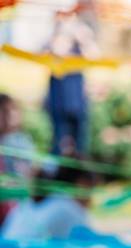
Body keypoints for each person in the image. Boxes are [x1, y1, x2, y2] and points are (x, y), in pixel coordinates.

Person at [45, 12, 97, 155]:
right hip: (58, 103)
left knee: (80, 146)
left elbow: (94, 56)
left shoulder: (81, 39)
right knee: (58, 142)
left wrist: (83, 37)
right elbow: (54, 52)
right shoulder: (54, 38)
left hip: (78, 102)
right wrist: (62, 37)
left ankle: (78, 174)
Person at [0, 93, 34, 225]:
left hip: (15, 206)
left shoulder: (20, 142)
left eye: (13, 110)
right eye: (6, 111)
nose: (10, 116)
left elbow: (25, 177)